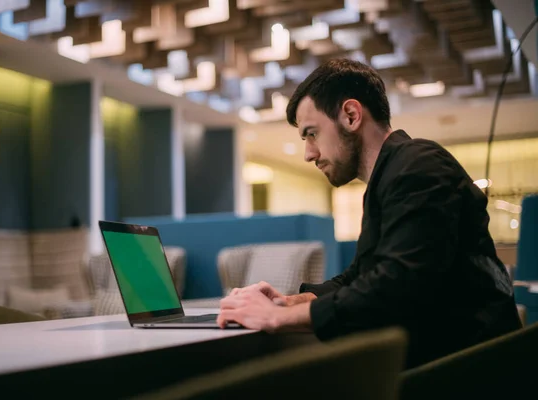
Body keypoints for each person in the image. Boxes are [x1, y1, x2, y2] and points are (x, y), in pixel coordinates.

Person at [217, 58, 522, 367]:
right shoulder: (392, 176)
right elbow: (361, 277)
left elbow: (394, 289)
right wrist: (288, 302)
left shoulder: (419, 166)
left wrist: (275, 318)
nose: (309, 153)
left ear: (351, 115)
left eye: (312, 134)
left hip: (469, 373)